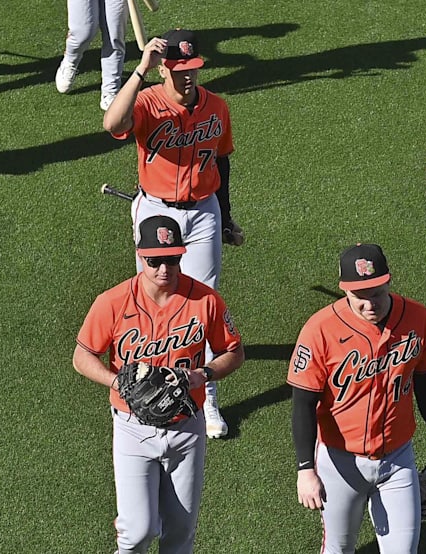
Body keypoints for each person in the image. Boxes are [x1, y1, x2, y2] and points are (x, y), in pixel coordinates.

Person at [73, 215, 245, 554]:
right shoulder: (112, 302)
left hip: (187, 428)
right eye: (155, 260)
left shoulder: (205, 301)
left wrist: (204, 375)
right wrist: (116, 381)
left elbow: (234, 352)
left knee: (180, 535)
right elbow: (83, 356)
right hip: (132, 429)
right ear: (140, 256)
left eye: (172, 258)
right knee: (137, 532)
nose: (164, 268)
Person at [103, 29, 243, 438]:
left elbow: (222, 164)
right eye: (179, 69)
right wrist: (140, 70)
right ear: (165, 68)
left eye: (193, 69)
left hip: (203, 212)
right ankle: (151, 386)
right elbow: (112, 121)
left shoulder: (216, 107)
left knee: (203, 301)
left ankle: (207, 399)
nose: (187, 77)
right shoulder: (146, 102)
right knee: (158, 297)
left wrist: (228, 216)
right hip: (155, 210)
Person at [289, 243, 426, 554]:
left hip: (398, 460)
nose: (370, 304)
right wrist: (305, 469)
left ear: (388, 281)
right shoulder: (319, 330)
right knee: (339, 549)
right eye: (359, 296)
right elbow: (302, 402)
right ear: (344, 291)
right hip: (339, 463)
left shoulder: (417, 318)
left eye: (376, 293)